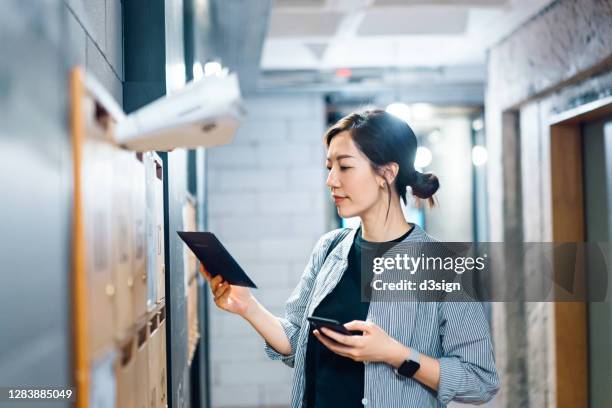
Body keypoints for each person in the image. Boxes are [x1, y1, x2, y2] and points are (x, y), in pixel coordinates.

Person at [200, 109, 500, 407]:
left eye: (344, 167)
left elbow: (480, 380)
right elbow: (297, 343)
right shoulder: (330, 248)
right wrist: (247, 306)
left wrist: (394, 353)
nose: (331, 180)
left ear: (387, 173)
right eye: (329, 167)